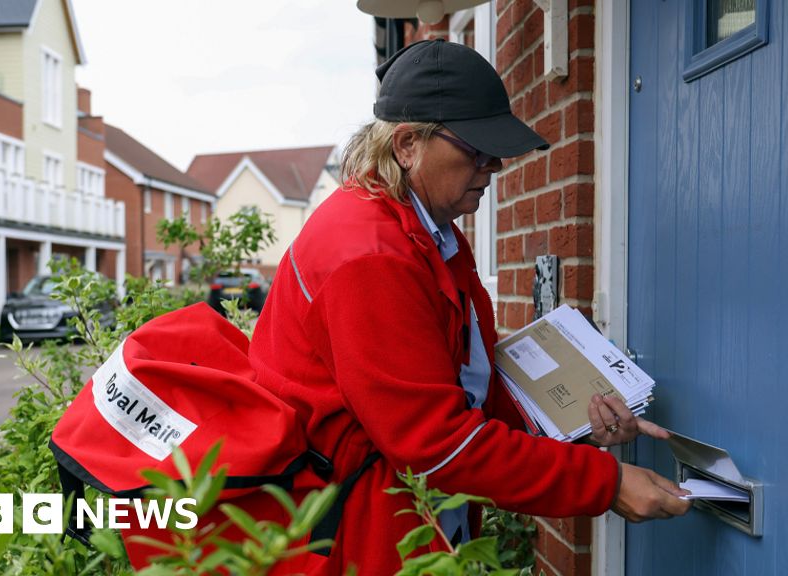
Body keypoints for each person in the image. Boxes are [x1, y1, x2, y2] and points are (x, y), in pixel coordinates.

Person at [248, 39, 689, 575]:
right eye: (476, 149)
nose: (495, 166)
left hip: (402, 514)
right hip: (362, 534)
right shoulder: (370, 255)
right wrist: (606, 482)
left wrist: (573, 417)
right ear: (408, 143)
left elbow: (461, 377)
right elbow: (433, 443)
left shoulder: (425, 231)